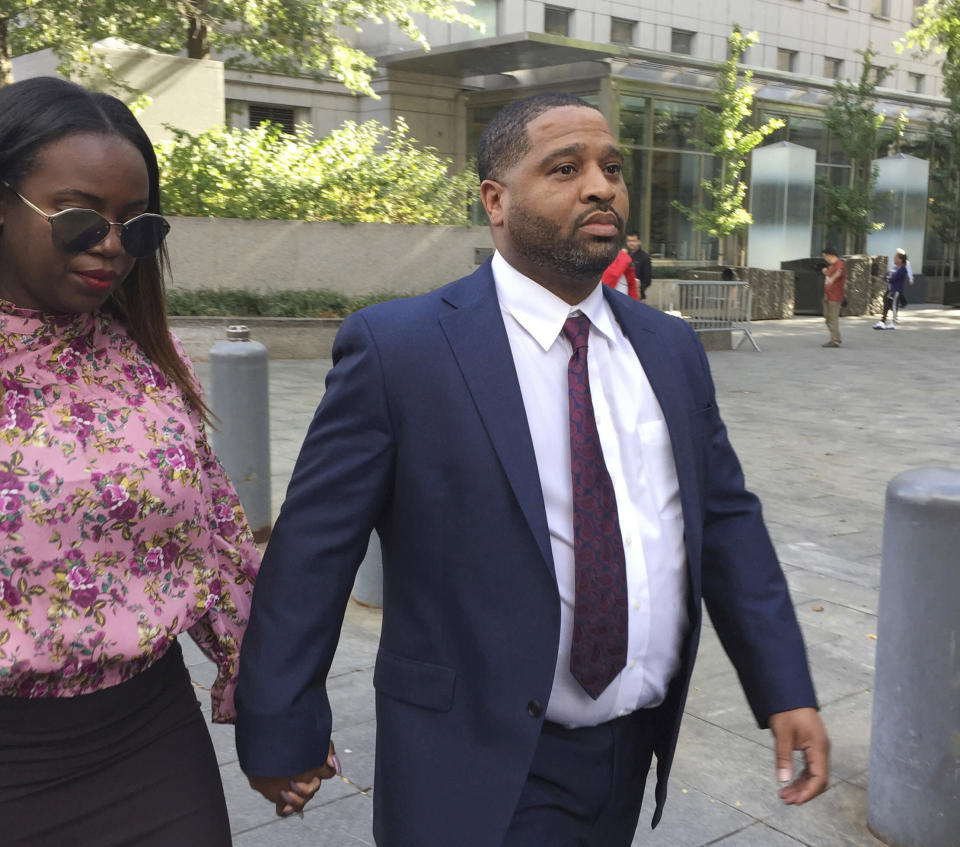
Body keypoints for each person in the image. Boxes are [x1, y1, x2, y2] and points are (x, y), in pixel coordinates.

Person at [236, 92, 829, 846]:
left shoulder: (669, 350)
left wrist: (783, 684)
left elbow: (726, 525)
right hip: (472, 757)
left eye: (612, 167)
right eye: (565, 167)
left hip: (629, 749)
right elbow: (313, 552)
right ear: (496, 200)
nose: (600, 185)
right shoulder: (402, 350)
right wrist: (279, 720)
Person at [0, 77, 262, 846]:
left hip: (149, 741)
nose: (111, 246)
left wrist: (273, 707)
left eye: (135, 226)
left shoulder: (147, 357)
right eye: (80, 217)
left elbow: (218, 541)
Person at [875, 251, 909, 330]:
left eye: (896, 258)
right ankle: (882, 321)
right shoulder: (895, 268)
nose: (894, 259)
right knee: (886, 302)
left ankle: (894, 322)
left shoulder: (903, 269)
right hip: (891, 289)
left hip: (896, 290)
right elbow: (886, 276)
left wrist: (889, 278)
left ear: (900, 260)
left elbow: (894, 278)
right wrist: (888, 277)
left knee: (893, 305)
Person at [821, 246, 846, 348]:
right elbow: (829, 275)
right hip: (827, 295)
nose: (825, 258)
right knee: (828, 318)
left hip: (835, 296)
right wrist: (825, 272)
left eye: (825, 256)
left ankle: (835, 340)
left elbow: (839, 273)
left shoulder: (839, 264)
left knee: (833, 318)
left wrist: (833, 278)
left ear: (830, 255)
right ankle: (834, 338)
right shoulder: (831, 266)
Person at [626, 230, 653, 299]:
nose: (631, 243)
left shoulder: (644, 257)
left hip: (637, 295)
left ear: (639, 242)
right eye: (629, 241)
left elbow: (647, 279)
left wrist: (639, 290)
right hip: (623, 293)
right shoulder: (622, 256)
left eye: (634, 241)